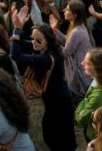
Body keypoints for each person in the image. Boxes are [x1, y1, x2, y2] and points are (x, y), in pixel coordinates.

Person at [10, 10, 73, 151]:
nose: (34, 43)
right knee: (61, 134)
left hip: (58, 102)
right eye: (33, 38)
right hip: (57, 99)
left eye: (38, 40)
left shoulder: (45, 59)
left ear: (48, 41)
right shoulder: (50, 49)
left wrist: (16, 29)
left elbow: (15, 55)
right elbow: (23, 42)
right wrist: (19, 27)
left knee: (55, 136)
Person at [52, 0, 93, 103]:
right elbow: (68, 40)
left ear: (74, 15)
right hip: (80, 68)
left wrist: (51, 42)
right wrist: (55, 31)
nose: (64, 11)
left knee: (78, 101)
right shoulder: (78, 26)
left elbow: (65, 52)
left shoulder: (76, 31)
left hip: (78, 71)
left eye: (67, 9)